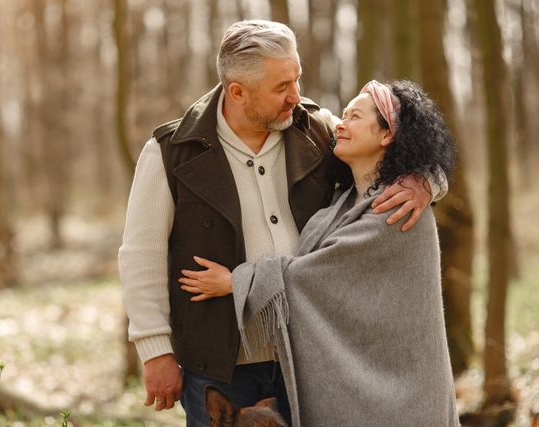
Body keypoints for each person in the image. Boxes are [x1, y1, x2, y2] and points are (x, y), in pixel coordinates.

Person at [118, 20, 445, 426]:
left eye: (296, 79)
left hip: (310, 357)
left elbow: (395, 146)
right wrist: (156, 352)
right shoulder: (171, 152)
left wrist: (426, 180)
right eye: (280, 87)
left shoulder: (318, 130)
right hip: (220, 364)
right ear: (238, 91)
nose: (295, 96)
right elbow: (141, 255)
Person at [179, 80, 460, 426]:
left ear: (387, 135)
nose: (340, 124)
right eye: (342, 115)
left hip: (405, 399)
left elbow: (314, 276)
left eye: (355, 116)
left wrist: (237, 282)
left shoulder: (398, 210)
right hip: (367, 396)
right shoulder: (342, 203)